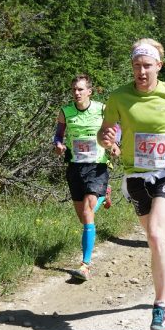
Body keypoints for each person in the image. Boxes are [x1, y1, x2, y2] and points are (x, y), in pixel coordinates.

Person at [97, 38, 165, 330]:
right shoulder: (119, 97)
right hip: (135, 175)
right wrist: (106, 138)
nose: (140, 72)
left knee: (156, 233)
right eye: (136, 66)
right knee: (155, 240)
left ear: (159, 66)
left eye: (146, 66)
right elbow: (107, 128)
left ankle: (160, 307)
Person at [54, 74, 118, 281]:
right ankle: (104, 193)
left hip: (97, 166)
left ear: (89, 91)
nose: (76, 92)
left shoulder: (102, 109)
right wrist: (58, 145)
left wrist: (115, 144)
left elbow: (116, 130)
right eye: (74, 89)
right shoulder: (65, 112)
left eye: (81, 89)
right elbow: (58, 135)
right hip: (75, 166)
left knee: (87, 211)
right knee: (83, 217)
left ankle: (85, 265)